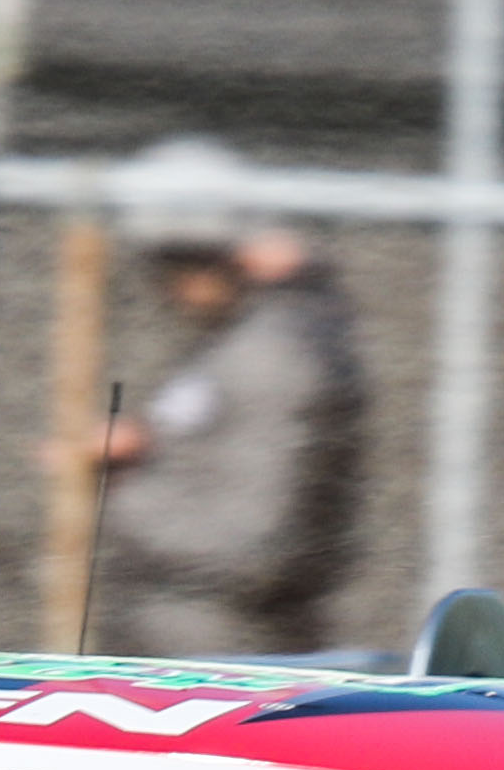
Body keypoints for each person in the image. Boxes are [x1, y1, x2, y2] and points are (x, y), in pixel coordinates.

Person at [84, 139, 369, 662]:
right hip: (189, 652)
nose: (171, 285)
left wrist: (122, 489)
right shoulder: (238, 345)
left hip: (223, 663)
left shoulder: (274, 358)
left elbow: (257, 549)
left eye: (179, 262)